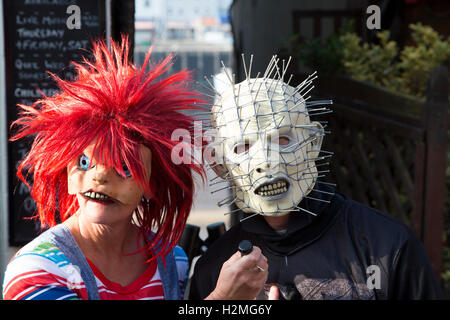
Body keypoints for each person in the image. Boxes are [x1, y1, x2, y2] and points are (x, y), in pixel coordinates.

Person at [2, 38, 267, 300]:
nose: (99, 176)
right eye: (84, 161)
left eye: (124, 167)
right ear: (67, 172)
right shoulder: (37, 270)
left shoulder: (172, 261)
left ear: (152, 184)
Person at [189, 55, 445, 300]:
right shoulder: (216, 272)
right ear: (219, 163)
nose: (266, 161)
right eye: (242, 147)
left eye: (282, 140)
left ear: (313, 142)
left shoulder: (388, 247)